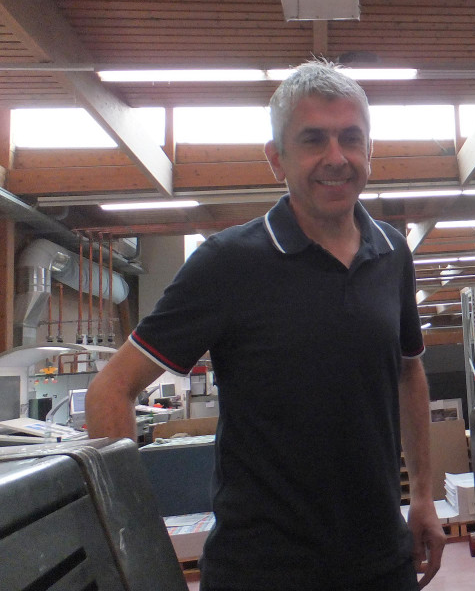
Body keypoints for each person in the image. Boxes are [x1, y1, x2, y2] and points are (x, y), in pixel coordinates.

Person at [86, 61, 445, 591]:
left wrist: (423, 497)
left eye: (351, 138)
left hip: (382, 562)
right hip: (262, 571)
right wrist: (132, 541)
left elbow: (408, 372)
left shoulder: (393, 251)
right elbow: (111, 389)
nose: (336, 157)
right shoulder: (228, 263)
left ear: (370, 150)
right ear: (277, 158)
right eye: (313, 140)